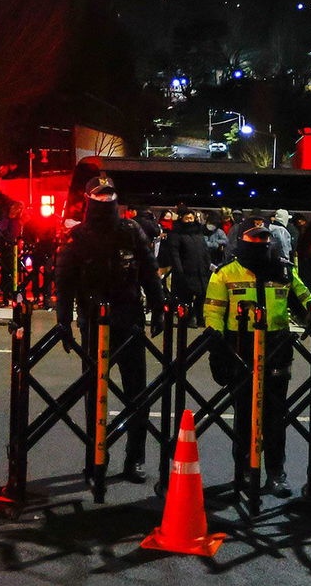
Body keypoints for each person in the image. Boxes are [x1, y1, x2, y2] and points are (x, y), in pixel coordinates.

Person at [56, 175, 164, 483]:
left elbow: (149, 272)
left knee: (137, 393)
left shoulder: (131, 231)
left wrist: (158, 307)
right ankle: (95, 457)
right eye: (100, 195)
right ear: (89, 198)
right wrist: (63, 321)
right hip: (93, 322)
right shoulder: (77, 235)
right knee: (94, 395)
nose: (106, 200)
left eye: (110, 194)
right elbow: (64, 281)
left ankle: (135, 458)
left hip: (128, 320)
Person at [204, 226, 311, 498]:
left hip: (276, 346)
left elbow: (303, 297)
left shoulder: (283, 270)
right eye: (254, 237)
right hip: (239, 347)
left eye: (264, 238)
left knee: (275, 415)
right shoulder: (225, 273)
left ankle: (276, 473)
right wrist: (216, 347)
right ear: (242, 240)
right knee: (244, 413)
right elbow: (213, 311)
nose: (260, 242)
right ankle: (244, 470)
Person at [165, 210, 212, 328]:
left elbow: (204, 250)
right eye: (187, 218)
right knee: (185, 296)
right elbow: (174, 254)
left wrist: (208, 264)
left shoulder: (198, 233)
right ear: (181, 219)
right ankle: (187, 318)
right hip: (186, 270)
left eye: (191, 218)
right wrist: (179, 270)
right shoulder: (176, 234)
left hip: (200, 270)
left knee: (202, 294)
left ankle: (199, 317)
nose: (190, 221)